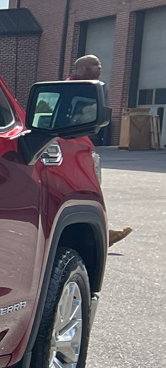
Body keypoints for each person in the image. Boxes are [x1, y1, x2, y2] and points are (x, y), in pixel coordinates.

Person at [71, 54, 132, 246]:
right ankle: (98, 236)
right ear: (84, 69)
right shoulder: (73, 89)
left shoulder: (90, 88)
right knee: (84, 191)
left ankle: (101, 232)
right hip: (72, 148)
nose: (100, 69)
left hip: (82, 146)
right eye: (97, 66)